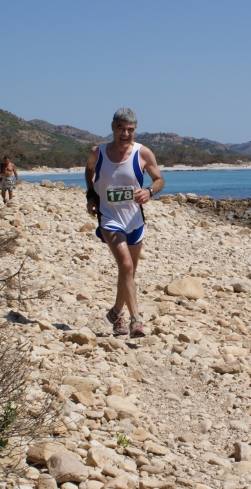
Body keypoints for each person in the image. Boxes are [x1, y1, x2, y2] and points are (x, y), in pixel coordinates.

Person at [84, 108, 164, 338]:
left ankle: (116, 312)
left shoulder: (143, 153)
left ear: (135, 130)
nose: (125, 134)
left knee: (127, 272)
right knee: (126, 266)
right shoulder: (97, 153)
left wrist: (149, 192)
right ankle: (135, 319)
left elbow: (159, 180)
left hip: (135, 220)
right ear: (112, 127)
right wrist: (91, 196)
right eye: (121, 128)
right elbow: (89, 172)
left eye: (130, 129)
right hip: (109, 218)